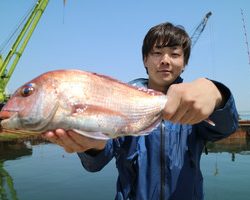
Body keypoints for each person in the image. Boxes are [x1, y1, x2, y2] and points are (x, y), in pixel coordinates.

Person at [42, 22, 238, 200]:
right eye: (157, 52)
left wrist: (218, 95)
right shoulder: (119, 100)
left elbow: (226, 128)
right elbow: (95, 163)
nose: (165, 60)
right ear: (145, 60)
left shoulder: (193, 104)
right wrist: (92, 145)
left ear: (185, 63)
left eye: (175, 54)